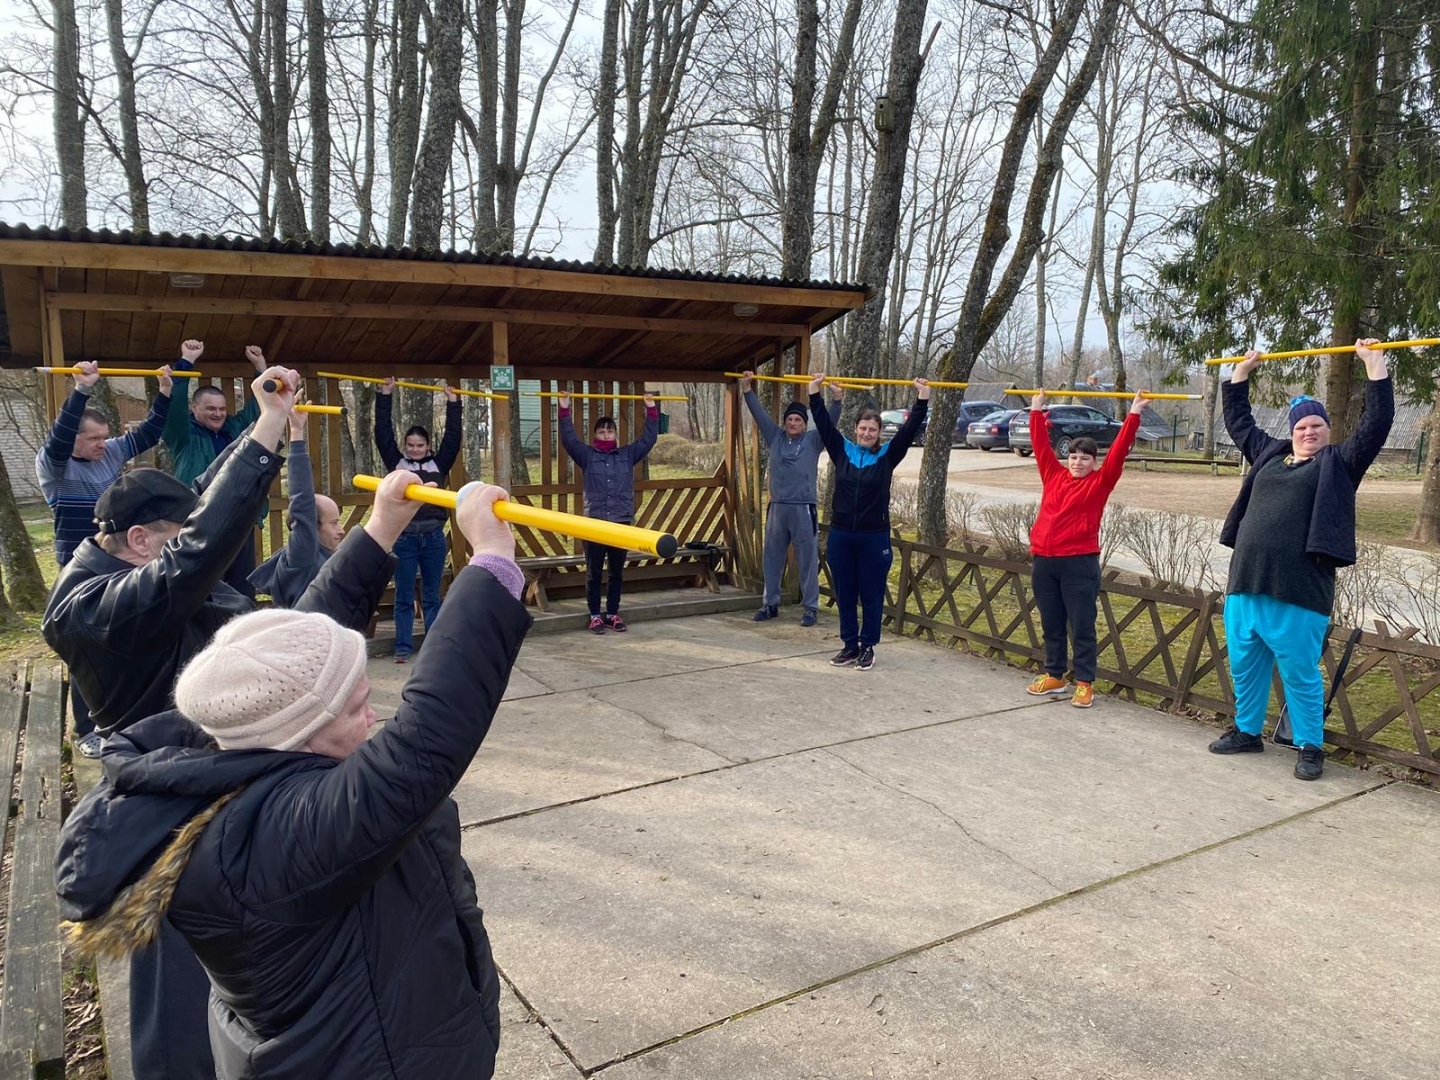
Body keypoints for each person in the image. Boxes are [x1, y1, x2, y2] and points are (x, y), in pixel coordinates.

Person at [55, 476, 526, 1080]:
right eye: (358, 706)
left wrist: (381, 527)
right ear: (301, 732)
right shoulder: (275, 840)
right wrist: (490, 560)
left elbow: (292, 656)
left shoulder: (228, 744)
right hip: (372, 1061)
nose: (375, 715)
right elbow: (429, 737)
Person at [44, 369, 402, 1080]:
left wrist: (380, 532)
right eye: (181, 537)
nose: (204, 558)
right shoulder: (92, 610)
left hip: (221, 799)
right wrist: (267, 429)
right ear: (143, 541)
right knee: (184, 1024)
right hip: (170, 830)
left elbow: (290, 638)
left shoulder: (156, 588)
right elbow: (195, 558)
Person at [1208, 338, 1394, 781]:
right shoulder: (1269, 454)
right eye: (1301, 427)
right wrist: (1240, 376)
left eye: (1316, 426)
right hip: (1246, 584)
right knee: (1245, 666)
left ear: (1328, 429)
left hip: (1298, 590)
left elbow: (1377, 424)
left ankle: (1310, 746)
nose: (1309, 432)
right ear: (1291, 432)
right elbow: (1239, 423)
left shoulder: (1339, 463)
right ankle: (1247, 732)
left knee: (1300, 674)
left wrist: (1375, 367)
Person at [35, 360, 174, 758]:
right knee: (87, 647)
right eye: (94, 438)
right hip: (79, 566)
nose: (103, 444)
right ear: (75, 441)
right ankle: (85, 730)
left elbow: (149, 433)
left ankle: (128, 715)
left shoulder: (110, 455)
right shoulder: (54, 465)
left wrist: (164, 394)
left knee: (124, 638)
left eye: (105, 437)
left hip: (118, 559)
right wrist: (80, 391)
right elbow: (59, 439)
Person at [1024, 388, 1144, 708]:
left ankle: (1084, 682)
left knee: (1081, 625)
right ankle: (1055, 675)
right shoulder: (1053, 475)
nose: (1077, 462)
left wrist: (1133, 415)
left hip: (1078, 563)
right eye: (1074, 456)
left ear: (1094, 461)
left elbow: (1119, 451)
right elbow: (1039, 447)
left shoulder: (1100, 482)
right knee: (1051, 622)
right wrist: (1036, 411)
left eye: (1085, 458)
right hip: (1045, 562)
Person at [809, 372, 929, 671]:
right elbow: (824, 424)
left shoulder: (888, 455)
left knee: (871, 593)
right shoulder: (843, 450)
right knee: (845, 592)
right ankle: (849, 645)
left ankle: (867, 647)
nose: (866, 433)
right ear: (855, 429)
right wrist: (814, 394)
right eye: (863, 428)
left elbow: (910, 429)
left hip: (873, 537)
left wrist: (922, 400)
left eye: (872, 429)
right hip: (841, 535)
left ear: (879, 432)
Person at [163, 338, 272, 598]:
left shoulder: (235, 430)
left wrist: (260, 367)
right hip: (200, 523)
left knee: (242, 591)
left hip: (240, 520)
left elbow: (261, 410)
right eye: (210, 409)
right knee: (204, 590)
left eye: (222, 409)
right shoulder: (183, 436)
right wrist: (186, 362)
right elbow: (173, 407)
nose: (218, 414)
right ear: (195, 408)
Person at [741, 371, 842, 626]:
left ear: (804, 423)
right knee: (772, 558)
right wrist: (747, 391)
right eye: (790, 419)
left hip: (803, 509)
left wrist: (836, 401)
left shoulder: (813, 440)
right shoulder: (775, 437)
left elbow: (829, 423)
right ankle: (770, 604)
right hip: (777, 509)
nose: (793, 422)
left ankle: (810, 608)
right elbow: (760, 415)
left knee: (807, 559)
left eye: (798, 419)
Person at [375, 377, 463, 662]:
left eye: (420, 445)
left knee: (431, 595)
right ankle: (402, 647)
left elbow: (453, 438)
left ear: (427, 446)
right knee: (403, 595)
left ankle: (433, 648)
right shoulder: (396, 463)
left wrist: (453, 403)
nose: (414, 449)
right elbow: (382, 434)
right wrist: (385, 394)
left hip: (434, 538)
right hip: (405, 538)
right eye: (410, 445)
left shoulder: (439, 463)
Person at [558, 390, 660, 633]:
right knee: (594, 573)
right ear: (595, 435)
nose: (606, 434)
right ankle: (594, 614)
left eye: (610, 431)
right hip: (595, 523)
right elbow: (569, 440)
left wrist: (651, 410)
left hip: (620, 523)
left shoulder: (626, 455)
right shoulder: (587, 456)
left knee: (616, 572)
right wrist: (563, 409)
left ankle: (612, 613)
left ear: (615, 434)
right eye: (602, 431)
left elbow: (648, 440)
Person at [249, 402, 347, 606]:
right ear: (311, 526)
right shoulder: (303, 556)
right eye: (334, 522)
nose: (341, 530)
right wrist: (296, 431)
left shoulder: (325, 555)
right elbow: (301, 497)